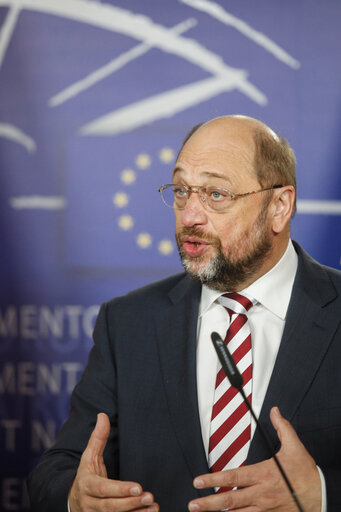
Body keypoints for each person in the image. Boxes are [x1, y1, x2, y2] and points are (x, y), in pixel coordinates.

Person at [28, 115, 341, 512]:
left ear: (279, 206)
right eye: (180, 191)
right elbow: (55, 472)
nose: (189, 216)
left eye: (216, 195)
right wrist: (77, 496)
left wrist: (323, 493)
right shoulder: (128, 324)